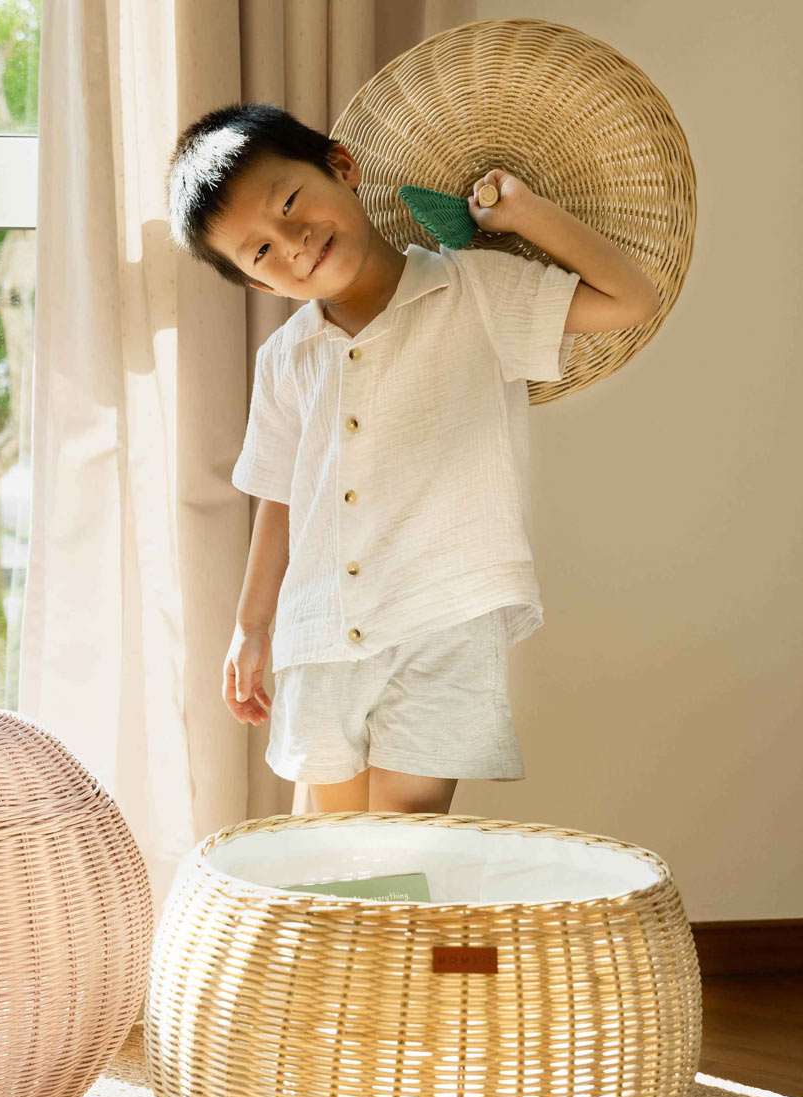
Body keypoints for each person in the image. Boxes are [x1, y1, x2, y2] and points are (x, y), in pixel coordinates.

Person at [166, 102, 660, 814]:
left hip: (445, 618)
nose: (294, 242)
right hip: (322, 628)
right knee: (329, 858)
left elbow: (630, 298)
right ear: (260, 286)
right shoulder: (285, 359)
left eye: (291, 203)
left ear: (342, 167)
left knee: (405, 845)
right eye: (263, 251)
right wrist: (250, 627)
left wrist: (521, 213)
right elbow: (281, 498)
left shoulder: (476, 292)